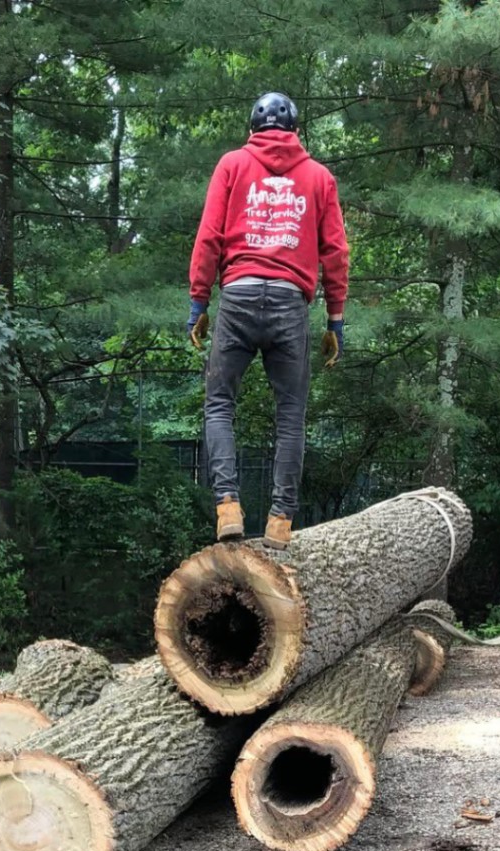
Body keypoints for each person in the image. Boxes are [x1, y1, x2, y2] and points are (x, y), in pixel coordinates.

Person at [187, 92, 349, 550]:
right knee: (291, 415)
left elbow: (209, 236)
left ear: (252, 130)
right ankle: (280, 520)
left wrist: (199, 303)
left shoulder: (232, 165)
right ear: (295, 132)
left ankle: (227, 507)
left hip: (237, 297)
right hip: (289, 303)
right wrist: (335, 320)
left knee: (220, 405)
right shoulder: (318, 177)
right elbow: (336, 251)